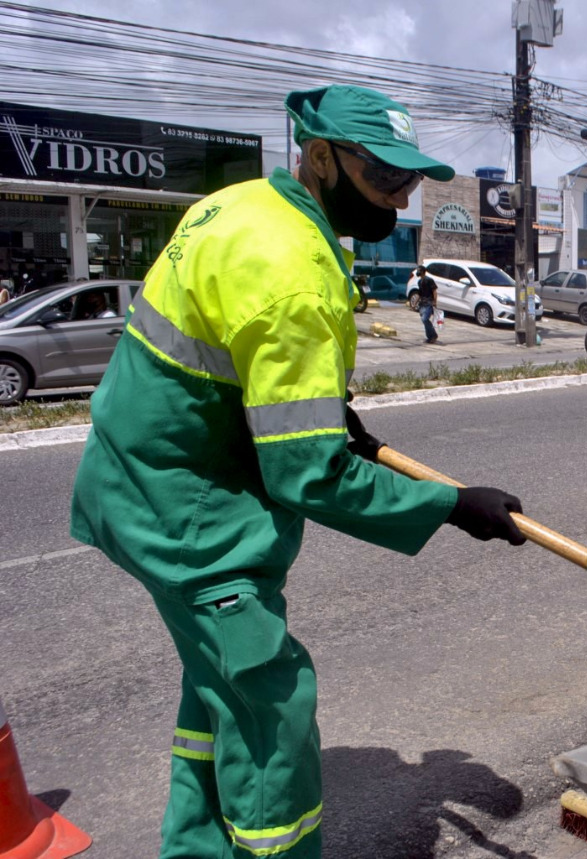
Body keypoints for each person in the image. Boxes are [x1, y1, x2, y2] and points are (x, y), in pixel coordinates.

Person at [68, 84, 527, 859]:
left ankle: (196, 848)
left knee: (216, 690)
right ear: (320, 158)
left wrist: (326, 412)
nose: (401, 197)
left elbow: (232, 358)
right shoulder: (295, 270)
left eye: (410, 180)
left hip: (134, 479)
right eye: (385, 177)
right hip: (189, 518)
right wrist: (449, 504)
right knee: (269, 707)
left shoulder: (243, 206)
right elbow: (309, 475)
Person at [418, 268, 439, 343]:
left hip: (429, 303)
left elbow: (434, 291)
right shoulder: (419, 281)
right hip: (422, 303)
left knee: (425, 319)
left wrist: (435, 301)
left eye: (419, 271)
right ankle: (430, 337)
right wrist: (415, 303)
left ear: (423, 272)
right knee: (424, 320)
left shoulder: (429, 280)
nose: (418, 272)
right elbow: (420, 294)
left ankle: (433, 335)